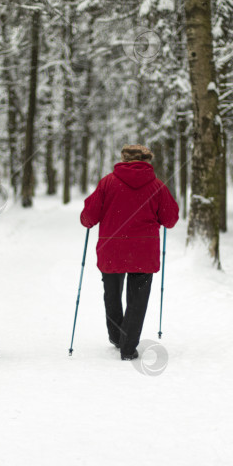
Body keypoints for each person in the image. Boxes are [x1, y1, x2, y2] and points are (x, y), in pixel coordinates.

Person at [80, 145, 179, 360]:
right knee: (138, 299)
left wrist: (86, 218)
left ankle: (117, 336)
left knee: (112, 294)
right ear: (147, 161)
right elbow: (170, 219)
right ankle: (128, 346)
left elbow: (89, 216)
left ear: (124, 159)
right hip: (143, 252)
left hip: (111, 249)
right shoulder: (157, 186)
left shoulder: (107, 183)